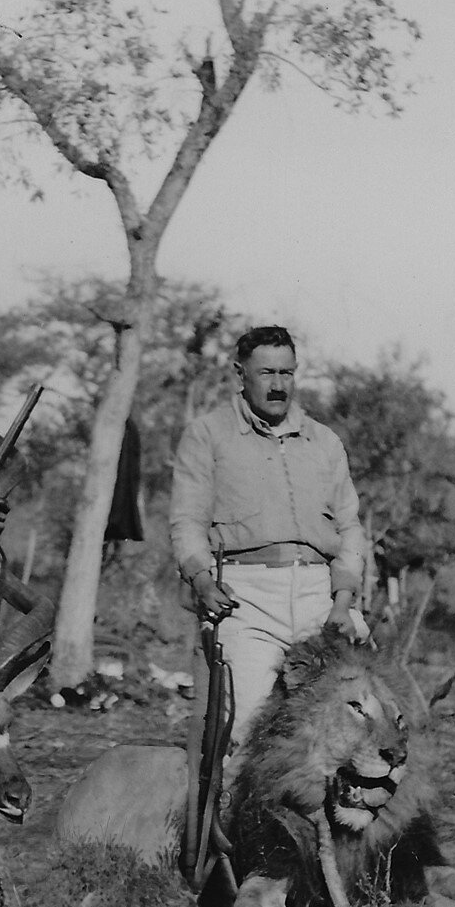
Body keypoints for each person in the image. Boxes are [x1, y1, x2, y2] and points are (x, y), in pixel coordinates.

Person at [168, 325, 371, 759]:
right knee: (245, 726)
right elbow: (187, 520)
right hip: (247, 596)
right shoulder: (207, 435)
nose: (279, 385)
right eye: (266, 373)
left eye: (287, 372)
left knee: (345, 723)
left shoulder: (325, 441)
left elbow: (350, 527)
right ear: (240, 373)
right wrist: (202, 581)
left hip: (321, 595)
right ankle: (234, 824)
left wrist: (343, 600)